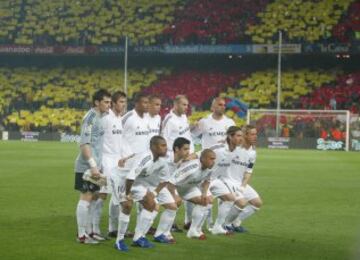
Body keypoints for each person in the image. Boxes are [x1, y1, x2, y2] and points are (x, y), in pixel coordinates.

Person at [74, 89, 111, 244]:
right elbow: (84, 144)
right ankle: (82, 235)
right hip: (87, 166)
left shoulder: (102, 117)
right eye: (106, 102)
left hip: (96, 165)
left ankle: (90, 232)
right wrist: (93, 165)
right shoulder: (90, 118)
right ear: (97, 102)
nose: (109, 105)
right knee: (86, 196)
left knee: (94, 197)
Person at [191, 97, 235, 229]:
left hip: (225, 163)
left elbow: (235, 141)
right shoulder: (204, 122)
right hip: (208, 164)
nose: (223, 107)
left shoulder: (230, 122)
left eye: (224, 105)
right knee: (207, 193)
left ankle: (220, 224)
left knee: (225, 194)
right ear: (213, 107)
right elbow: (193, 136)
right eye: (219, 105)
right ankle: (208, 224)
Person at [124, 136, 172, 249]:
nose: (166, 148)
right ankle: (133, 238)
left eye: (166, 145)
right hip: (123, 181)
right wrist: (127, 195)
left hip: (137, 183)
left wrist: (154, 193)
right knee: (128, 207)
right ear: (154, 147)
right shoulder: (145, 157)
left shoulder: (161, 161)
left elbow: (165, 180)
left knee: (153, 205)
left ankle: (139, 237)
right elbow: (130, 177)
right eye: (163, 145)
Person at [95, 91, 131, 239]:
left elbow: (119, 142)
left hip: (117, 162)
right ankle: (95, 229)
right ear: (114, 103)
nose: (123, 105)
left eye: (124, 102)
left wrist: (124, 157)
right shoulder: (106, 119)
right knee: (102, 194)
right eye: (121, 102)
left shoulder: (119, 118)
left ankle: (112, 228)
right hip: (106, 161)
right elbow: (97, 141)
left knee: (117, 195)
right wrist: (99, 163)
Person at [161, 95, 195, 228]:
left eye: (187, 105)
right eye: (183, 105)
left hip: (186, 158)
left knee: (187, 187)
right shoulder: (169, 120)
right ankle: (171, 224)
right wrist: (177, 157)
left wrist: (189, 153)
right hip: (175, 161)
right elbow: (164, 141)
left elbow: (187, 137)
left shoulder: (184, 117)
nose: (186, 108)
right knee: (172, 190)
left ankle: (187, 220)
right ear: (175, 104)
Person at [225, 125, 263, 232]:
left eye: (256, 134)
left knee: (257, 203)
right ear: (245, 135)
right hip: (227, 181)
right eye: (252, 134)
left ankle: (236, 222)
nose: (255, 137)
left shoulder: (253, 152)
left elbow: (248, 172)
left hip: (240, 183)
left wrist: (243, 186)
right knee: (240, 202)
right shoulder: (234, 147)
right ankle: (225, 224)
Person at [172, 149, 216, 240]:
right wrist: (175, 195)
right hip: (175, 187)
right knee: (174, 204)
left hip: (189, 188)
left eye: (214, 159)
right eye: (211, 159)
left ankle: (193, 231)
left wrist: (204, 194)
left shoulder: (210, 168)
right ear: (203, 159)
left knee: (205, 201)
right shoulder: (192, 167)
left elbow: (207, 181)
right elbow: (172, 180)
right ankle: (165, 232)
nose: (213, 162)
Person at [208, 126, 244, 235]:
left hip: (217, 180)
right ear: (230, 136)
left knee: (230, 199)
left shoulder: (237, 150)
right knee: (206, 203)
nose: (240, 138)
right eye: (238, 136)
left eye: (241, 136)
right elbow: (201, 154)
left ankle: (218, 227)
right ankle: (198, 228)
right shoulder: (218, 148)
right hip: (205, 178)